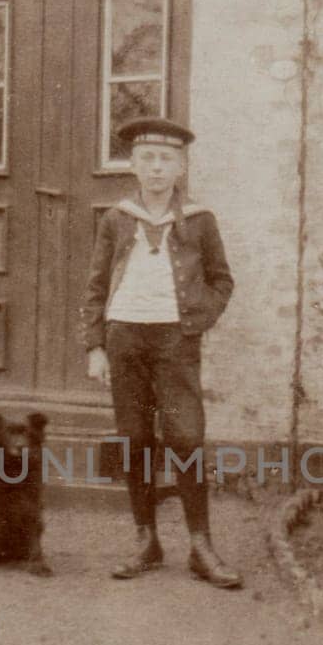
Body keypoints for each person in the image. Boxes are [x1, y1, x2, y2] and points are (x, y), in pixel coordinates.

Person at [81, 116, 243, 589]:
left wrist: (194, 321)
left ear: (181, 167)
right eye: (147, 158)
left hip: (175, 343)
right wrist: (95, 346)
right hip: (125, 340)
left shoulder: (198, 219)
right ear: (132, 164)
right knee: (134, 440)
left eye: (166, 159)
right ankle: (145, 540)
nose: (156, 168)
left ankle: (200, 546)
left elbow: (222, 280)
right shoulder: (116, 218)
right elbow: (94, 287)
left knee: (187, 438)